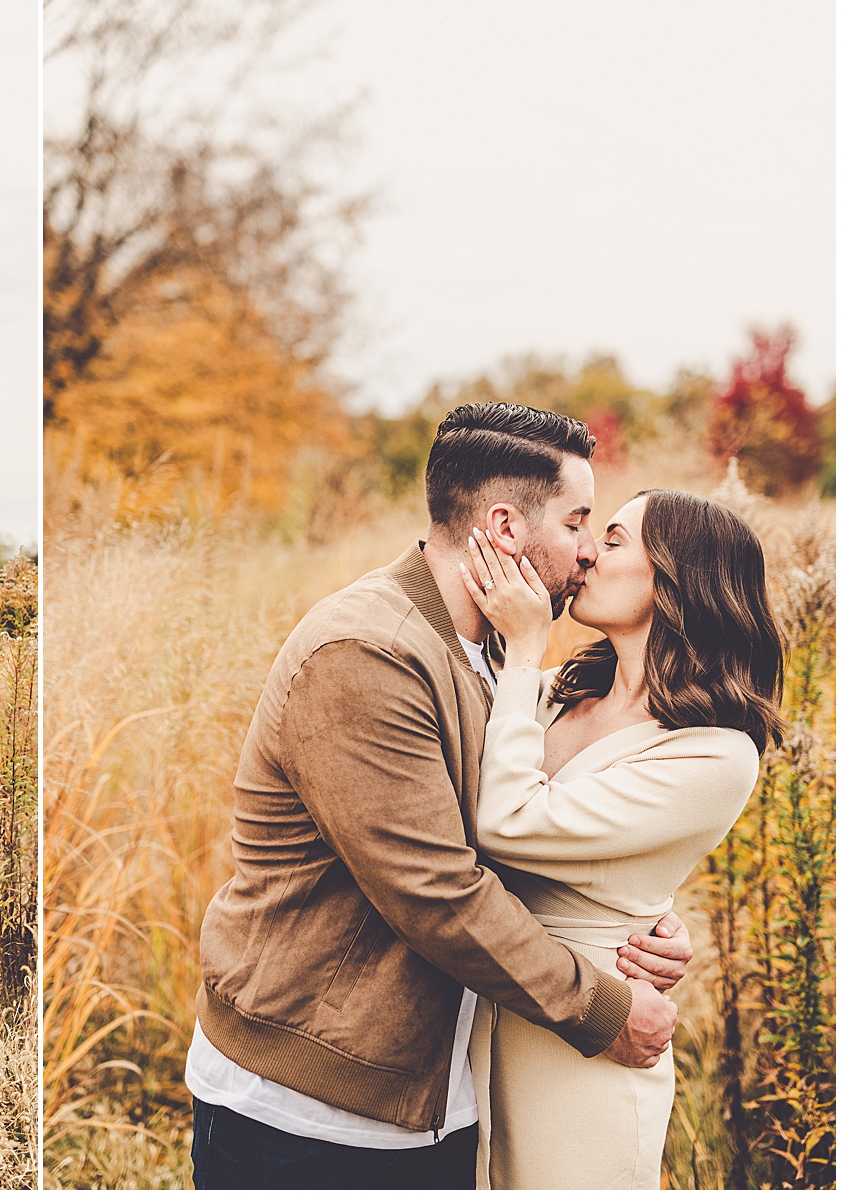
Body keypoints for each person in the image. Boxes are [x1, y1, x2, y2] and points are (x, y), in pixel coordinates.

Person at [186, 403, 695, 1190]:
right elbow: (437, 891)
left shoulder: (503, 654)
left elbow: (536, 827)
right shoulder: (368, 651)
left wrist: (637, 919)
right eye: (578, 520)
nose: (590, 549)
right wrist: (603, 1007)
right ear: (505, 526)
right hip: (311, 1110)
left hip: (435, 1101)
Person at [460, 490, 780, 1188]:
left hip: (588, 1052)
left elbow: (507, 820)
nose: (585, 553)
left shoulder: (716, 753)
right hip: (488, 1012)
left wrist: (520, 648)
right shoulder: (556, 690)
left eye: (611, 539)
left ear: (674, 576)